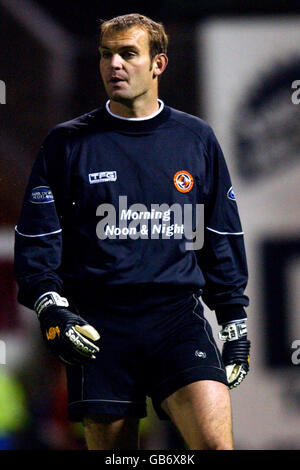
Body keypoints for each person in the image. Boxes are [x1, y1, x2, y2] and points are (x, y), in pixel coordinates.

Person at [14, 13, 251, 450]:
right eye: (107, 55)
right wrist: (50, 307)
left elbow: (218, 236)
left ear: (158, 64)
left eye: (128, 54)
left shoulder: (195, 138)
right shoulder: (66, 144)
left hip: (177, 318)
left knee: (217, 446)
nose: (114, 65)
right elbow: (36, 242)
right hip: (100, 326)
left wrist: (234, 320)